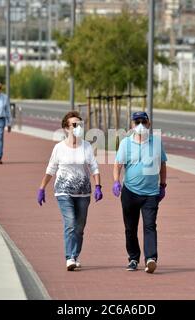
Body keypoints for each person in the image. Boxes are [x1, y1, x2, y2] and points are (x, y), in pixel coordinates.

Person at [37, 111, 103, 271]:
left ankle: (75, 254)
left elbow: (94, 167)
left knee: (80, 228)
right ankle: (70, 257)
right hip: (63, 191)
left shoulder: (86, 146)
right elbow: (51, 168)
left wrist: (98, 186)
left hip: (83, 193)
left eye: (80, 124)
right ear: (66, 128)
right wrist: (42, 188)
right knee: (71, 223)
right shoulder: (59, 148)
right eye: (74, 125)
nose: (78, 127)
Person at [112, 111, 167, 274]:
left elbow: (163, 164)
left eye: (144, 122)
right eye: (137, 122)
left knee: (150, 225)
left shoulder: (156, 143)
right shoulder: (125, 144)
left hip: (151, 194)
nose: (140, 125)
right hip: (130, 192)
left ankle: (151, 258)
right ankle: (133, 258)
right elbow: (117, 164)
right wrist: (116, 181)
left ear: (149, 124)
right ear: (132, 125)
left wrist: (163, 185)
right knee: (130, 228)